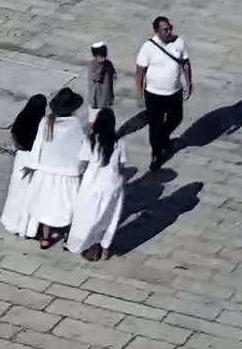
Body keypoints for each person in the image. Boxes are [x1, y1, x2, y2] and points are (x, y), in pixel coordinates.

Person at [29, 88, 87, 249]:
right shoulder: (76, 125)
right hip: (68, 173)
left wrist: (34, 166)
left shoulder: (45, 122)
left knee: (47, 205)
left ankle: (45, 238)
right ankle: (68, 237)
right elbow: (82, 149)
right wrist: (82, 168)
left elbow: (37, 146)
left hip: (47, 172)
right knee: (70, 206)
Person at [66, 108, 124, 261]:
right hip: (113, 185)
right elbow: (121, 164)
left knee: (87, 217)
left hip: (93, 184)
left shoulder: (90, 141)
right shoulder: (119, 141)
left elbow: (83, 162)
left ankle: (86, 244)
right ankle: (104, 250)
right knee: (109, 219)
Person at [134, 16, 191, 172]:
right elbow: (140, 72)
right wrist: (139, 94)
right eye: (165, 29)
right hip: (154, 95)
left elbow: (185, 63)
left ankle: (163, 138)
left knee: (176, 119)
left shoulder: (179, 42)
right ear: (157, 31)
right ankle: (156, 154)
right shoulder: (148, 47)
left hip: (174, 92)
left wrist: (188, 82)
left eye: (170, 27)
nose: (169, 31)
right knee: (155, 125)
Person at [0, 94, 48, 237]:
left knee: (16, 191)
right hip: (36, 160)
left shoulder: (22, 117)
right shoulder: (43, 123)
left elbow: (14, 134)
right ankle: (27, 227)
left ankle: (12, 222)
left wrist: (22, 148)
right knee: (30, 195)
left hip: (22, 158)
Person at [86, 42, 115, 119]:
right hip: (96, 101)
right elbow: (96, 78)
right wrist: (102, 67)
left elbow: (112, 75)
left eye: (104, 55)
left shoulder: (108, 63)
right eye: (101, 56)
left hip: (106, 98)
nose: (103, 57)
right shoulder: (92, 65)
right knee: (94, 120)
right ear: (95, 55)